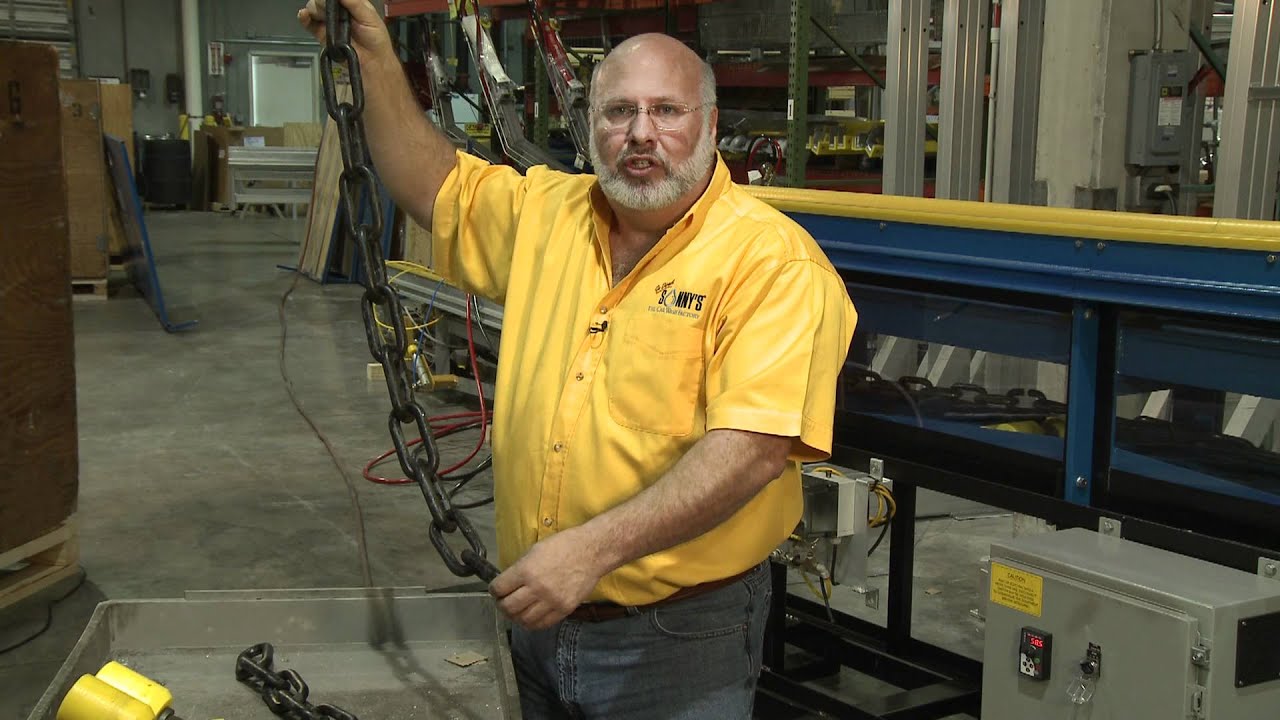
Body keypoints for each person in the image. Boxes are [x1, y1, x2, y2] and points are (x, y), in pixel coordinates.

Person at [300, 2, 857, 717]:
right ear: (590, 126)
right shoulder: (548, 215)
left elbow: (750, 450)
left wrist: (590, 552)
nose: (641, 134)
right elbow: (434, 185)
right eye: (618, 111)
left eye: (667, 111)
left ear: (712, 126)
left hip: (676, 638)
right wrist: (374, 54)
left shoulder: (773, 265)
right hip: (539, 616)